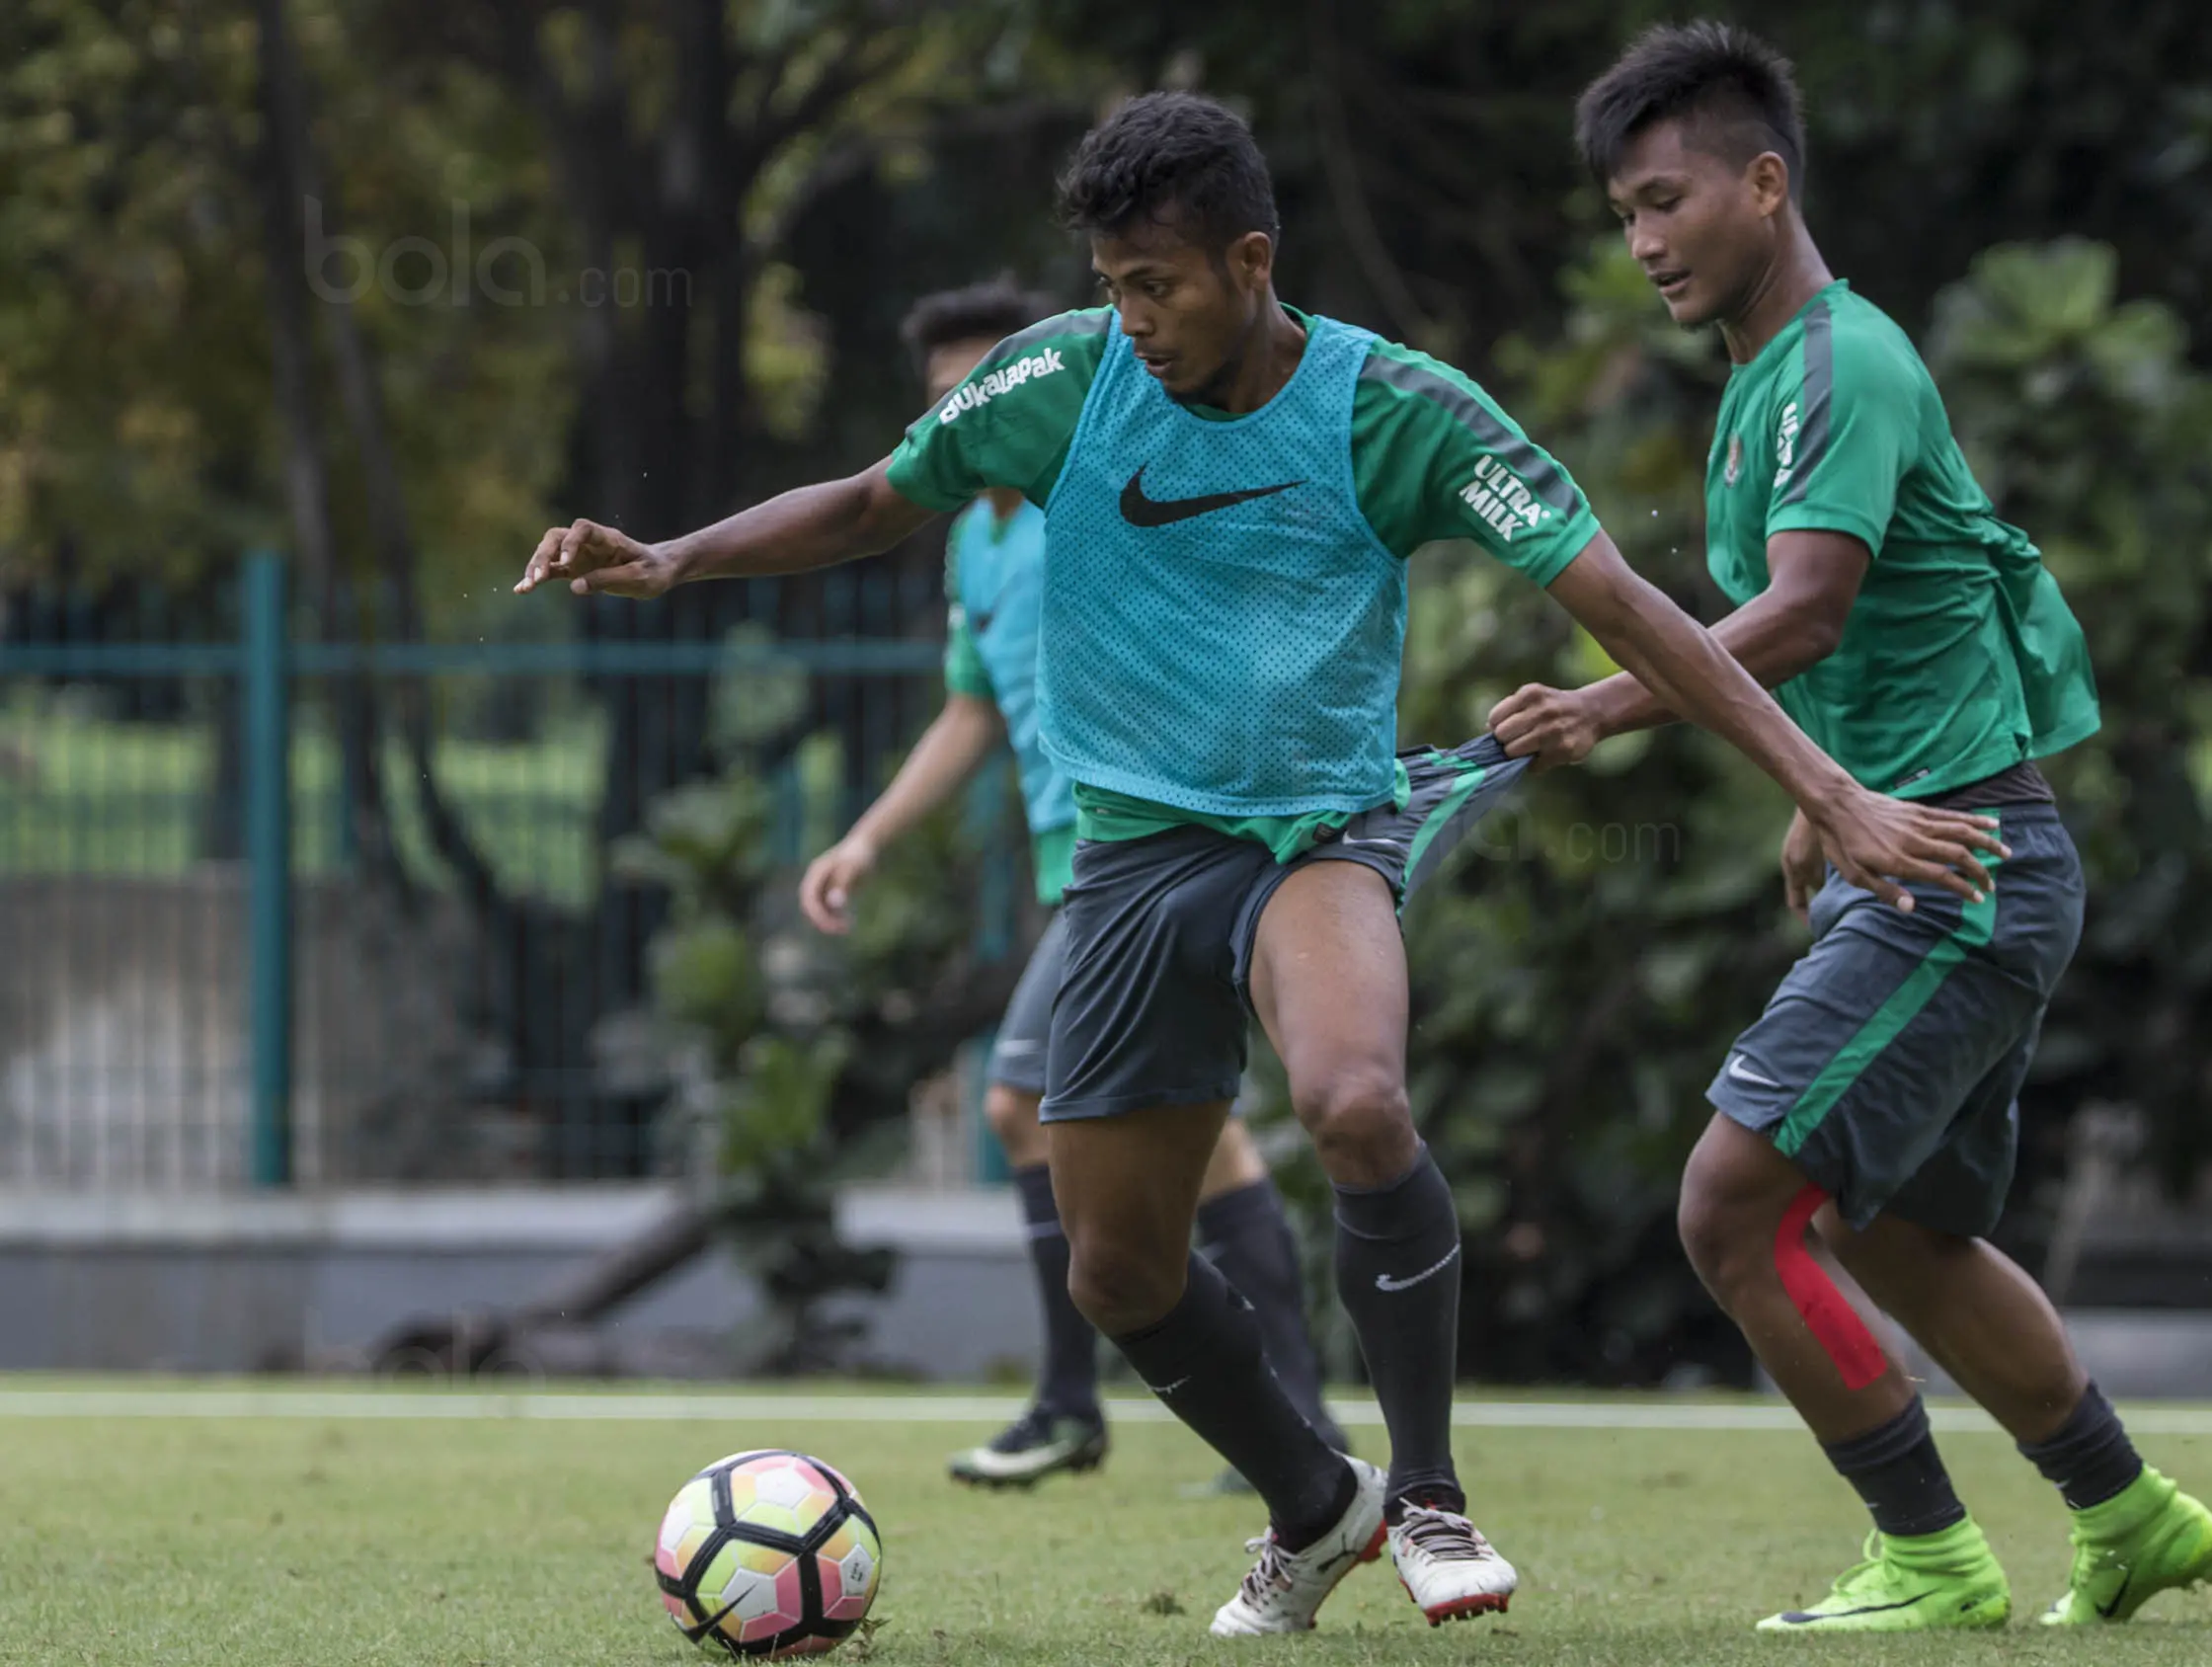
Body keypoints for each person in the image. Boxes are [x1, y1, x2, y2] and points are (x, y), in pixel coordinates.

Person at [518, 90, 1998, 1636]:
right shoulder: (1067, 381)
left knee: (1355, 1100)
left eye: (1158, 285)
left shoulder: (1397, 409)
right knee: (1115, 1270)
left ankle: (1426, 1500)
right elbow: (879, 501)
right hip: (1132, 861)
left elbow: (1628, 609)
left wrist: (1833, 792)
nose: (1133, 318)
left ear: (1250, 259)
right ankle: (1316, 1504)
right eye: (1110, 286)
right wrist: (676, 553)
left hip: (1320, 833)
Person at [1491, 23, 2212, 1631]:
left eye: (1667, 200)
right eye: (1624, 214)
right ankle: (2132, 1510)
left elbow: (1807, 609)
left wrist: (1606, 706)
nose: (1645, 243)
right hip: (1938, 846)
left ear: (1765, 182)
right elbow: (1848, 633)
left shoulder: (1841, 363)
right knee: (1901, 1236)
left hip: (1955, 869)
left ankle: (1930, 1552)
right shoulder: (1765, 389)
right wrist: (1818, 802)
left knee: (1727, 1205)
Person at [802, 278, 1344, 1494]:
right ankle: (1291, 1416)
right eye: (945, 392)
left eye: (985, 380)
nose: (969, 407)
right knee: (1209, 1149)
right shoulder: (974, 538)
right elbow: (972, 709)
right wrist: (869, 836)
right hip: (1081, 866)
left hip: (1155, 846)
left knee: (1019, 1100)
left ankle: (1071, 1403)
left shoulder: (1085, 496)